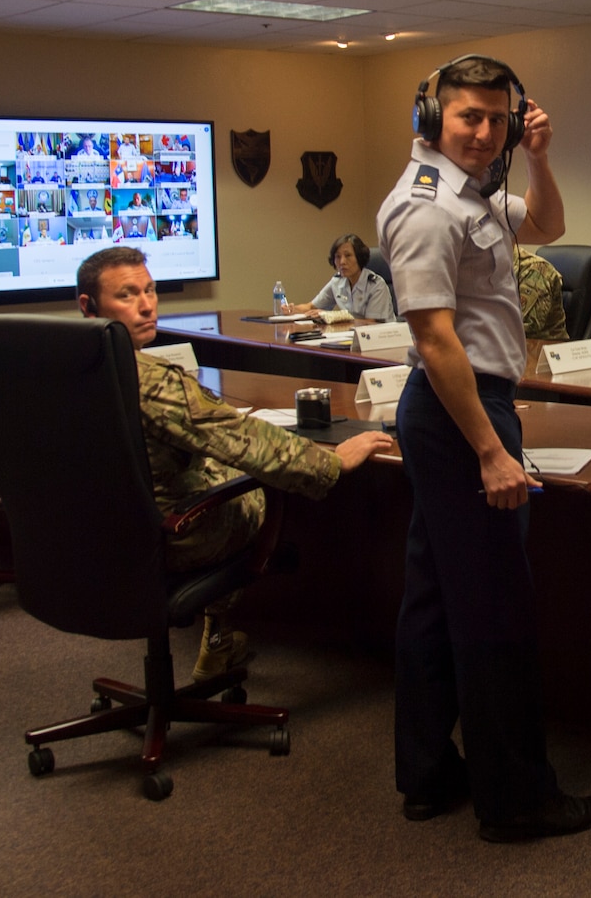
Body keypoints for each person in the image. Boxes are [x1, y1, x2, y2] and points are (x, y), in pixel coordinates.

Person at [378, 54, 591, 843]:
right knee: (495, 608)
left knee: (437, 597)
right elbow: (435, 339)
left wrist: (540, 157)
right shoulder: (427, 206)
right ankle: (516, 798)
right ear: (430, 118)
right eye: (467, 117)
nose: (483, 132)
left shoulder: (468, 192)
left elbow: (548, 225)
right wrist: (489, 451)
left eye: (497, 119)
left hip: (458, 407)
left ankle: (428, 771)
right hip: (461, 411)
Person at [76, 246, 394, 684]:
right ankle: (218, 638)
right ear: (88, 307)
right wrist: (332, 461)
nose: (147, 304)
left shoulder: (65, 370)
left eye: (149, 290)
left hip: (91, 534)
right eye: (127, 296)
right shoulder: (150, 382)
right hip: (168, 536)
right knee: (252, 487)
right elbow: (245, 444)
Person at [295, 233, 396, 321]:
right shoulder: (337, 282)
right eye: (338, 257)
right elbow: (311, 306)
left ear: (359, 258)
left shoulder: (376, 285)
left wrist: (333, 316)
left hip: (382, 338)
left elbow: (370, 323)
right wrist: (291, 310)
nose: (342, 262)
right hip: (350, 336)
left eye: (348, 256)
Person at [516, 248, 568, 341]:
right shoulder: (489, 270)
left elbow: (523, 328)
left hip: (542, 350)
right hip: (510, 350)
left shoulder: (533, 270)